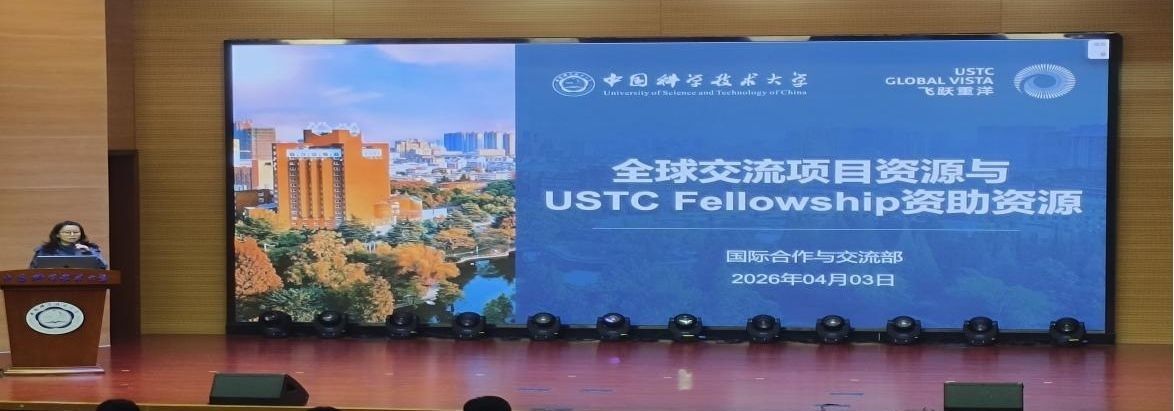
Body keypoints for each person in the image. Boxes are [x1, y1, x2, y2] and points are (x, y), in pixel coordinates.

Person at [30, 220, 108, 269]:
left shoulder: (90, 248)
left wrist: (88, 253)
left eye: (76, 232)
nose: (72, 235)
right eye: (67, 232)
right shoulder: (45, 250)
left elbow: (103, 267)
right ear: (57, 235)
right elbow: (33, 270)